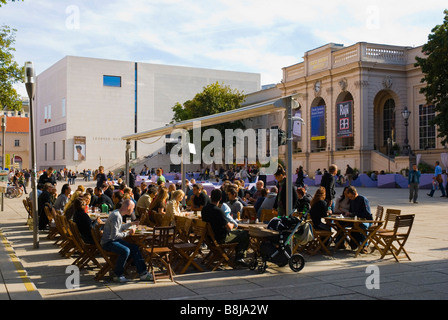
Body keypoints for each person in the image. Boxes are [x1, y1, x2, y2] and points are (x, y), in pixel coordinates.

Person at [100, 199, 153, 283]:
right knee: (125, 250)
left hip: (111, 240)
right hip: (108, 242)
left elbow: (118, 229)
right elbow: (115, 235)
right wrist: (129, 233)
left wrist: (130, 224)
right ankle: (118, 275)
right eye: (133, 208)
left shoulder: (117, 213)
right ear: (128, 207)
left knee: (135, 247)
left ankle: (143, 273)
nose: (133, 211)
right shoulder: (116, 216)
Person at [201, 189, 250, 267]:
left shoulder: (204, 209)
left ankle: (235, 256)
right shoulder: (218, 211)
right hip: (221, 238)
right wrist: (232, 224)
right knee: (245, 234)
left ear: (211, 197)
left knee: (239, 234)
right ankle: (239, 258)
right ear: (220, 198)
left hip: (209, 238)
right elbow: (229, 227)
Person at [345, 186, 373, 252]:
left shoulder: (362, 199)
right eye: (349, 197)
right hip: (355, 220)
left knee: (362, 226)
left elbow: (367, 213)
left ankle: (364, 245)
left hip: (367, 220)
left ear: (355, 193)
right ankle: (352, 243)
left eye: (351, 196)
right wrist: (349, 214)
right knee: (342, 225)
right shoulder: (352, 200)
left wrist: (354, 214)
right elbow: (351, 211)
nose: (350, 198)